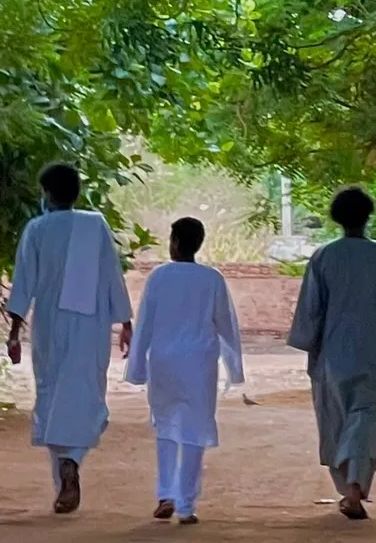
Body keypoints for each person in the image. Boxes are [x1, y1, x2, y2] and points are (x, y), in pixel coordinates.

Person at [6, 163, 134, 515]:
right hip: (90, 325)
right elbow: (112, 274)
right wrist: (125, 321)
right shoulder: (95, 225)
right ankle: (72, 462)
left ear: (47, 194)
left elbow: (23, 284)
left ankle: (63, 477)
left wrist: (14, 333)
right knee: (85, 396)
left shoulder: (36, 228)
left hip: (48, 323)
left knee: (51, 393)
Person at [288, 186, 376, 521]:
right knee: (367, 419)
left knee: (337, 421)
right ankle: (356, 485)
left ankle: (350, 488)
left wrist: (309, 345)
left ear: (337, 218)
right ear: (368, 216)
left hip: (334, 357)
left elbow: (310, 311)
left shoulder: (323, 257)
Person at [125, 217, 244, 525]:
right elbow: (226, 327)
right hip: (199, 365)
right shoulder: (212, 279)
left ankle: (165, 493)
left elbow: (145, 325)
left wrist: (136, 369)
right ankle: (186, 505)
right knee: (194, 432)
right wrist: (234, 370)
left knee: (165, 427)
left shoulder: (159, 277)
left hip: (163, 362)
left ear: (175, 242)